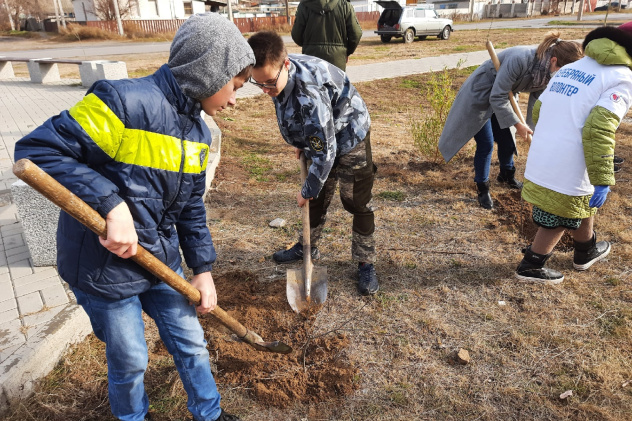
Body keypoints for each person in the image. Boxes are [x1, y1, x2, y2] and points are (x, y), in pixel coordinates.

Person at [14, 13, 255, 421]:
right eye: (234, 85)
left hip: (159, 260)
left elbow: (191, 207)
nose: (234, 98)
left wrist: (203, 268)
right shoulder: (122, 101)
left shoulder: (198, 133)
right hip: (103, 265)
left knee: (191, 342)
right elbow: (37, 151)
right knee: (130, 360)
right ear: (208, 71)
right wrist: (111, 203)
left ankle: (209, 414)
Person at [246, 31, 379, 295]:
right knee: (316, 198)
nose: (265, 90)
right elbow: (293, 112)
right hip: (322, 134)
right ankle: (307, 246)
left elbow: (326, 153)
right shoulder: (277, 72)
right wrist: (300, 139)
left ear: (285, 66)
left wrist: (305, 189)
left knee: (356, 201)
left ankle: (366, 262)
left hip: (350, 135)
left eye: (270, 83)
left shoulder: (310, 95)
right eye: (258, 83)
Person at [514, 23, 632, 284]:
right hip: (570, 160)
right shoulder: (621, 77)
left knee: (582, 201)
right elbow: (599, 129)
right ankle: (532, 264)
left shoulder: (571, 67)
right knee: (559, 214)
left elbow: (539, 109)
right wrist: (602, 177)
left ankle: (585, 250)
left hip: (544, 152)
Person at [438, 32, 583, 210]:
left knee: (508, 140)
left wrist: (532, 130)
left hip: (503, 98)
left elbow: (537, 101)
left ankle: (506, 175)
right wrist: (518, 124)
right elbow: (497, 96)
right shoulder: (520, 59)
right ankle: (482, 188)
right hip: (481, 95)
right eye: (564, 70)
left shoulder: (546, 73)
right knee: (486, 143)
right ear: (554, 61)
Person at [291, 0, 363, 71]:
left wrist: (308, 45)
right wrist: (346, 51)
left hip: (311, 58)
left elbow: (296, 34)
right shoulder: (345, 5)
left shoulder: (304, 5)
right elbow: (356, 34)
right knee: (335, 82)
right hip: (337, 60)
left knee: (313, 82)